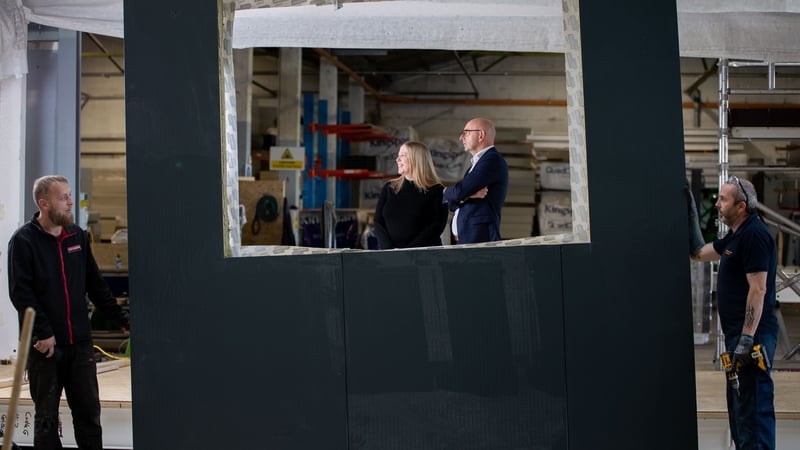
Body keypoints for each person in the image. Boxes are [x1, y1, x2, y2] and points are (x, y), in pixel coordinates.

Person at [7, 175, 129, 450]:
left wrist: (121, 320)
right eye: (64, 197)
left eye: (70, 195)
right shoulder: (24, 242)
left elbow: (95, 284)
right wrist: (44, 332)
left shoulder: (77, 236)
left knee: (88, 417)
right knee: (47, 422)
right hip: (45, 350)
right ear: (44, 204)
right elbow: (21, 293)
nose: (71, 202)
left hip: (80, 347)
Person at [693, 176, 778, 450]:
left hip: (751, 340)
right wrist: (690, 217)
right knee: (741, 413)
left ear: (741, 206)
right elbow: (700, 253)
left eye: (723, 200)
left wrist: (746, 338)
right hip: (739, 338)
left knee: (753, 411)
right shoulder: (736, 236)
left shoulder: (754, 235)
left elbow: (759, 288)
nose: (717, 204)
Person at [443, 118, 509, 244]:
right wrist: (467, 196)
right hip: (468, 239)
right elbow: (452, 204)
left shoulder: (491, 161)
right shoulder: (476, 164)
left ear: (481, 135)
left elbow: (458, 192)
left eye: (466, 133)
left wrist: (447, 192)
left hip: (478, 239)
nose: (461, 138)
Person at [373, 141, 448, 249]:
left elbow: (436, 226)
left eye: (402, 155)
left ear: (416, 159)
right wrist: (389, 249)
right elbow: (378, 222)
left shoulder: (437, 190)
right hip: (391, 255)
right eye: (398, 155)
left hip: (424, 255)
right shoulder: (389, 188)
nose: (397, 159)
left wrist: (410, 251)